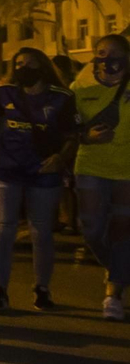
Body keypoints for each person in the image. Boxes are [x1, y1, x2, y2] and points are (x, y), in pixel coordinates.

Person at [0, 48, 76, 312]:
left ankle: (42, 289)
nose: (23, 67)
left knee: (41, 232)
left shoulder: (62, 97)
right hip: (7, 170)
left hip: (44, 171)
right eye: (18, 63)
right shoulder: (5, 93)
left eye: (29, 63)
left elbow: (73, 136)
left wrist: (60, 159)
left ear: (42, 66)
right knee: (3, 228)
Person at [72, 33, 130, 320]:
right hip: (91, 166)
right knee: (91, 227)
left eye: (115, 53)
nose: (108, 59)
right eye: (101, 53)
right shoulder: (81, 88)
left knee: (121, 228)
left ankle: (113, 293)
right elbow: (68, 129)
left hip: (126, 169)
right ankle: (119, 268)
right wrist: (86, 136)